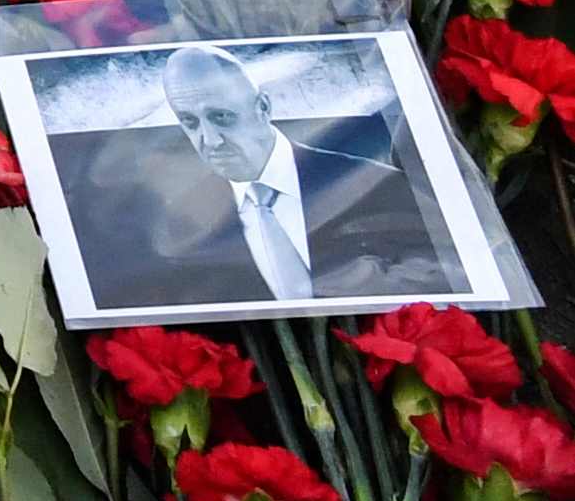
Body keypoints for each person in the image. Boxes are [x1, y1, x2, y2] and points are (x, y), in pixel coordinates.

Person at [63, 46, 459, 311]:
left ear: (264, 106)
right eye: (189, 123)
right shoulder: (167, 225)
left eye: (222, 117)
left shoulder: (379, 185)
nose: (210, 140)